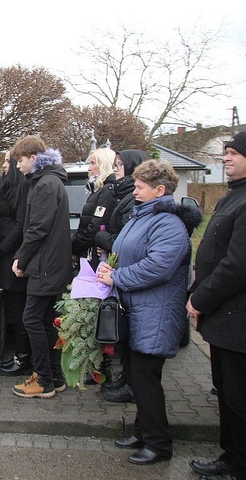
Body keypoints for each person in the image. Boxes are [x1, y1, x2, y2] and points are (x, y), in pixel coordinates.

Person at [97, 159, 201, 465]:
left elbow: (159, 266)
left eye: (141, 186)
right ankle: (143, 432)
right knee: (138, 377)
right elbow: (125, 249)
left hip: (155, 313)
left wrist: (117, 277)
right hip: (138, 310)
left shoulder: (167, 222)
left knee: (146, 380)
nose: (135, 190)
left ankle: (159, 444)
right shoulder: (143, 214)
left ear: (160, 189)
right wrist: (110, 265)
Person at [186, 130, 246, 480]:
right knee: (228, 392)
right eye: (227, 152)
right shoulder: (235, 196)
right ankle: (232, 455)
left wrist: (200, 300)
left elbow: (239, 265)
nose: (227, 158)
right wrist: (196, 293)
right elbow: (212, 252)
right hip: (227, 316)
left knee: (242, 398)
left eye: (234, 153)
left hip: (245, 319)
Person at [11, 136, 72, 398]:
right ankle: (54, 377)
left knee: (32, 320)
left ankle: (44, 379)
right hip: (50, 264)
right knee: (46, 322)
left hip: (45, 266)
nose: (18, 166)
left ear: (33, 159)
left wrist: (21, 259)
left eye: (21, 160)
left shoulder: (46, 184)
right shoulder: (48, 181)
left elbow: (37, 228)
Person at [93, 149, 152, 403]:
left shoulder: (130, 199)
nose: (116, 169)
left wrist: (102, 238)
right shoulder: (123, 195)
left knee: (130, 336)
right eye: (114, 164)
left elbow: (125, 239)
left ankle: (130, 384)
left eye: (120, 165)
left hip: (126, 275)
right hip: (117, 270)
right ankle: (126, 380)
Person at [0, 150, 32, 377]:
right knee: (11, 308)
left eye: (7, 161)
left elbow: (20, 226)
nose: (4, 165)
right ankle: (18, 354)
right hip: (5, 252)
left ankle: (23, 357)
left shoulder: (23, 188)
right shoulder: (9, 187)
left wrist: (0, 251)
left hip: (13, 254)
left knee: (19, 310)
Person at [71, 147, 117, 271]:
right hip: (88, 251)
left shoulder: (106, 191)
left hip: (94, 255)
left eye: (93, 163)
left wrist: (74, 246)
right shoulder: (97, 190)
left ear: (104, 165)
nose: (89, 168)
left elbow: (95, 225)